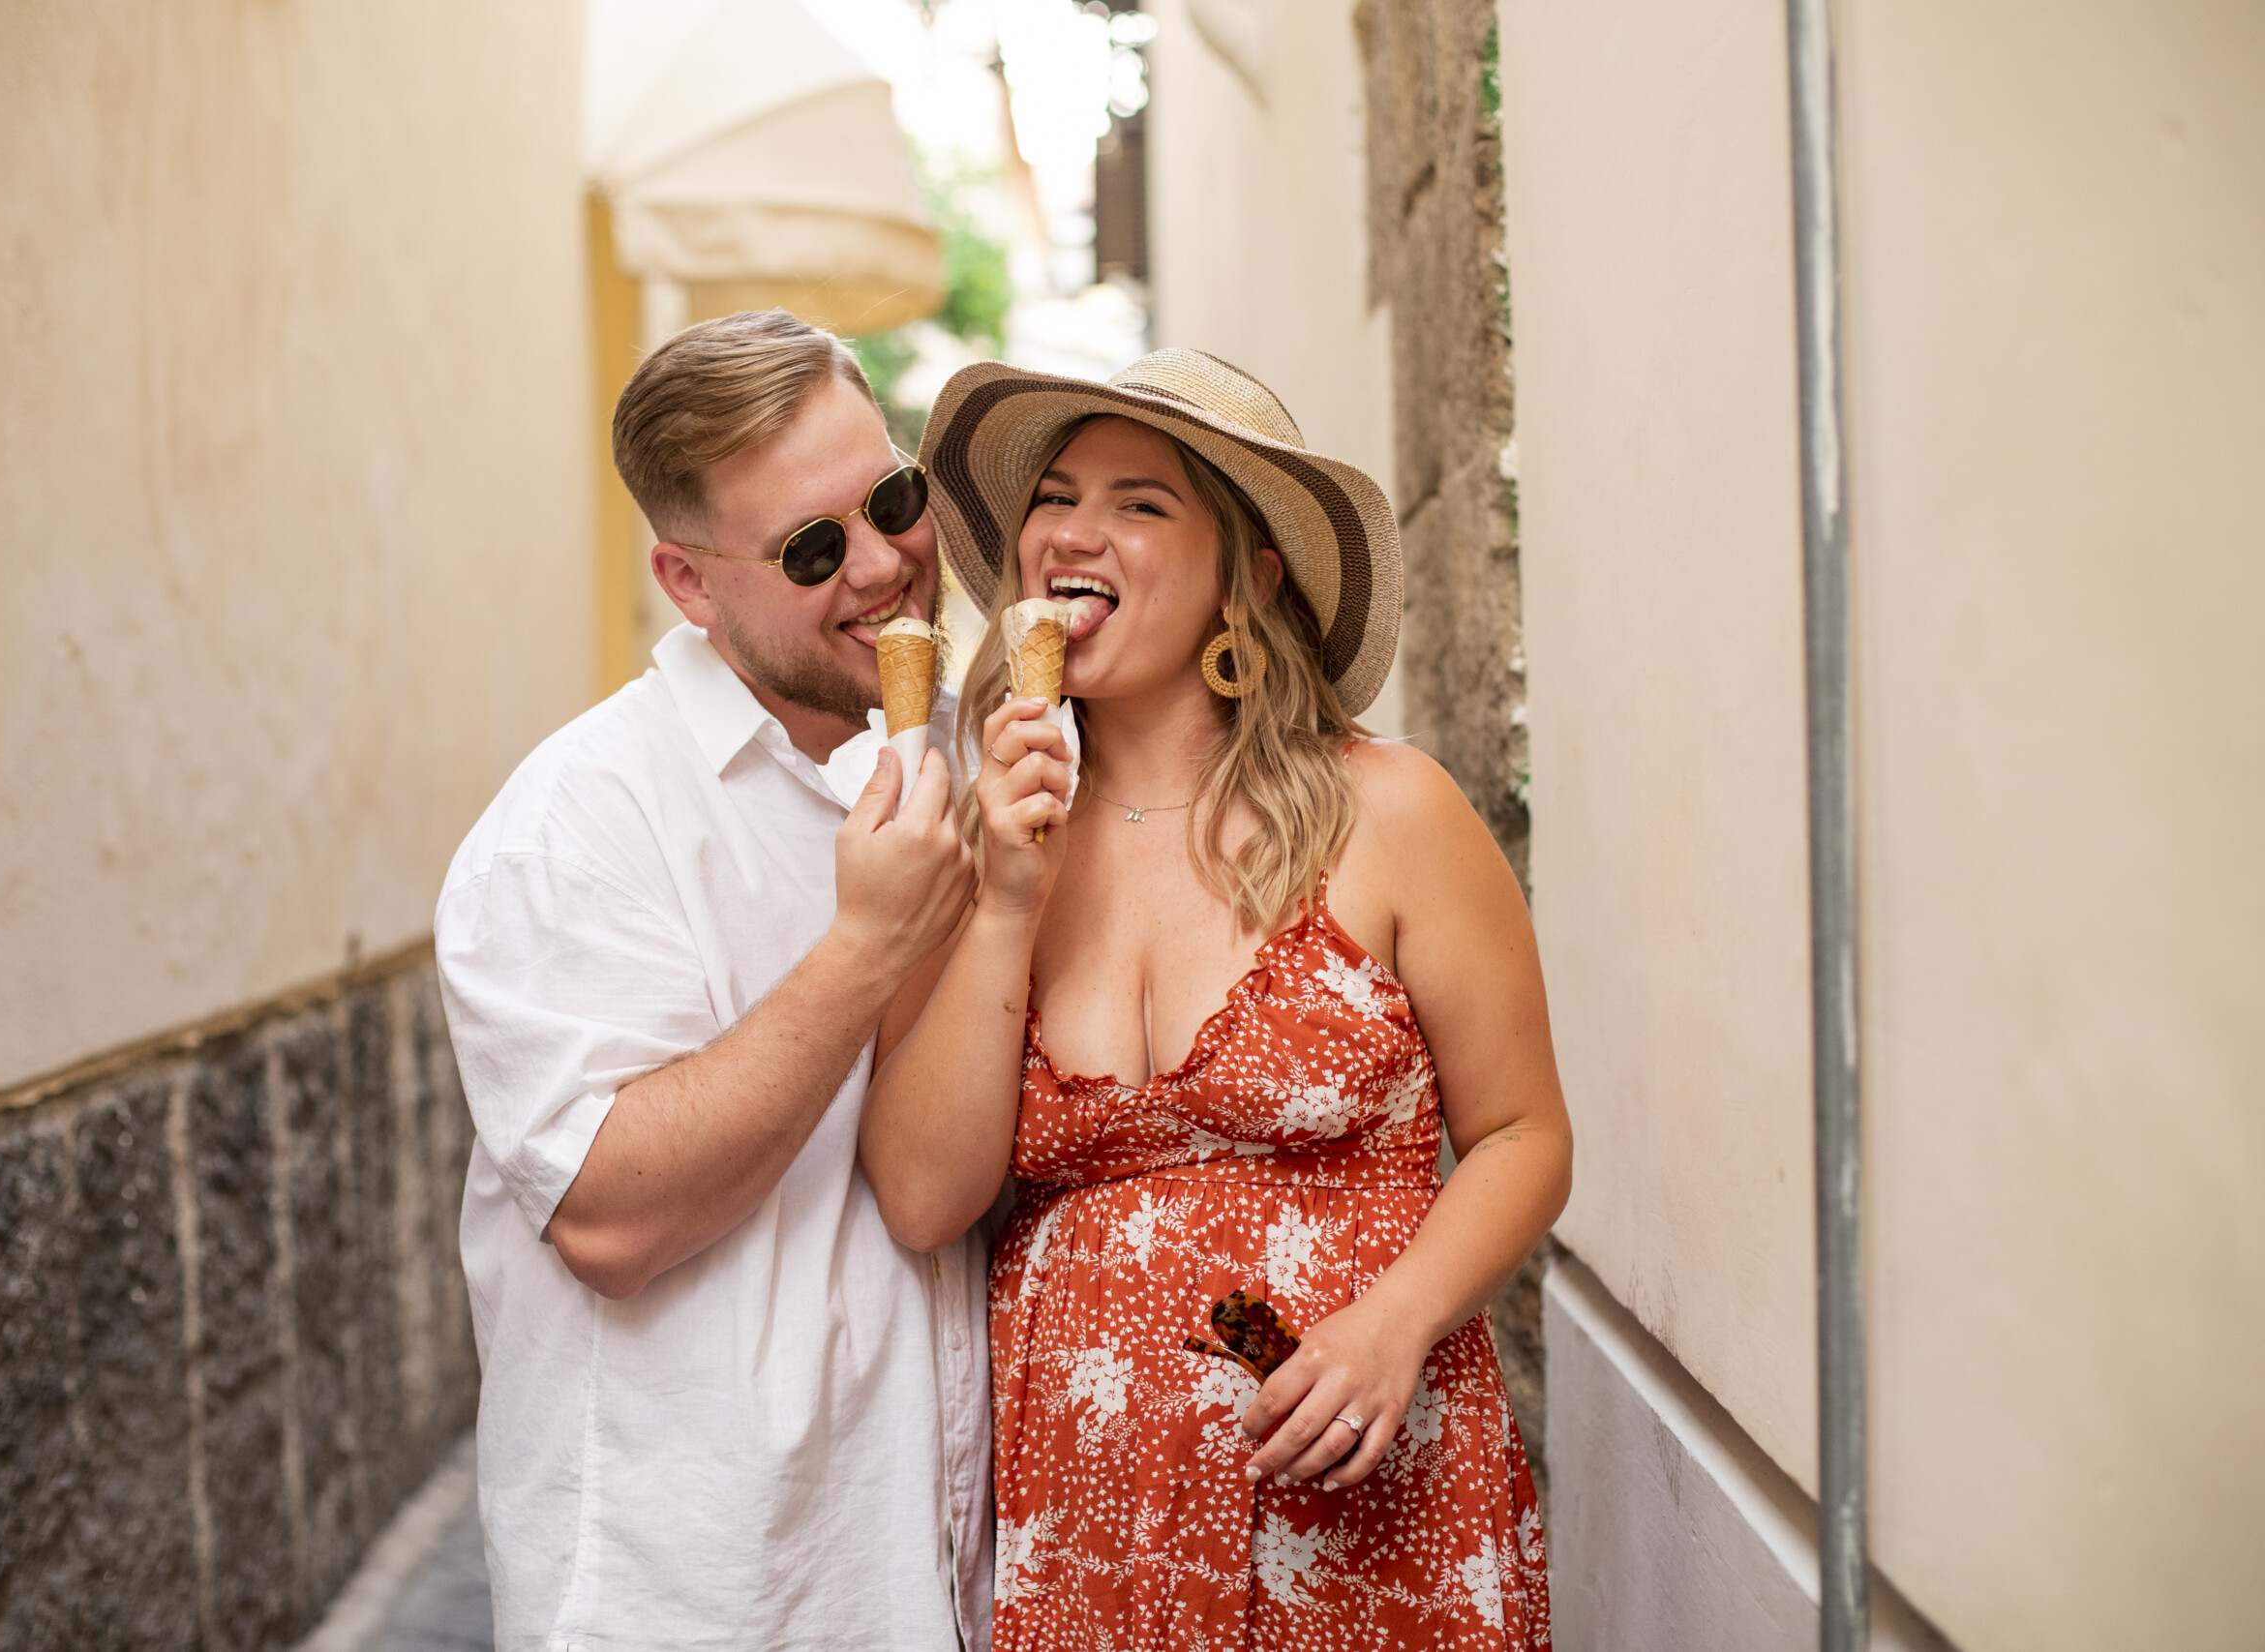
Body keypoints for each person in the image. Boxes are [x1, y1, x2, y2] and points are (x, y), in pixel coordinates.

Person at [861, 350, 1571, 1649]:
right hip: (1097, 1530)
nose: (1076, 531)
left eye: (1141, 503)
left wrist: (1395, 1326)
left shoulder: (1391, 811)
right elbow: (920, 1195)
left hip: (1371, 1516)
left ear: (1253, 572)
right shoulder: (971, 845)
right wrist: (1006, 902)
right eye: (1057, 498)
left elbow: (1525, 1137)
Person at [436, 310, 991, 1651]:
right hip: (698, 1595)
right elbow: (612, 1220)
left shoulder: (976, 758)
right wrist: (868, 945)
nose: (884, 569)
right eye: (812, 549)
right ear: (689, 585)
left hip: (933, 1577)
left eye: (894, 500)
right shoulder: (572, 827)